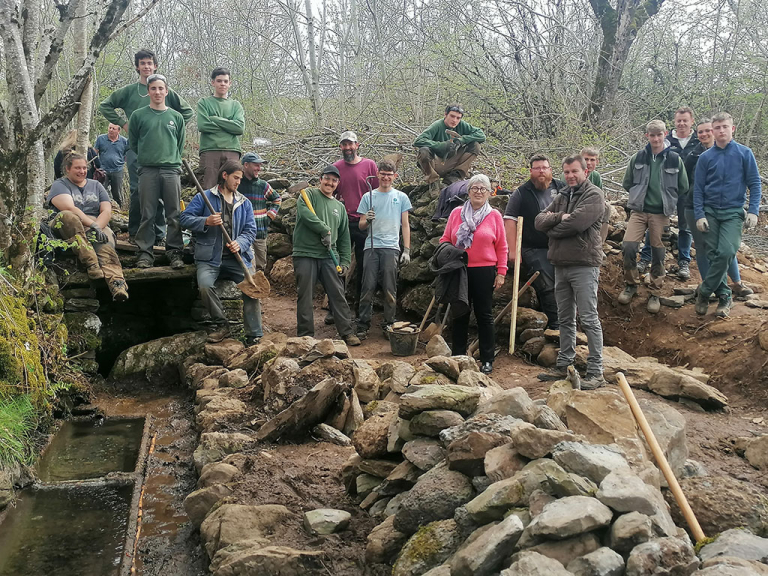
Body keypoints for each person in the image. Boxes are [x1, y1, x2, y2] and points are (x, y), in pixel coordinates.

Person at [99, 49, 194, 244]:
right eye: (142, 63)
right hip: (137, 147)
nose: (146, 66)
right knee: (138, 191)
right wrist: (123, 124)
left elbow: (186, 111)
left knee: (161, 194)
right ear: (137, 67)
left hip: (163, 152)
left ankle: (159, 235)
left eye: (149, 63)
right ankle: (136, 233)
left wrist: (171, 130)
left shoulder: (163, 89)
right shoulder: (129, 91)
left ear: (155, 65)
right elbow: (105, 105)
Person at [534, 155, 605, 389]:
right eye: (566, 172)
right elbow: (538, 221)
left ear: (585, 171)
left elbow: (576, 224)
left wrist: (552, 230)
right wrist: (558, 217)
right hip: (560, 264)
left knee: (588, 318)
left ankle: (596, 372)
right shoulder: (563, 195)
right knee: (565, 317)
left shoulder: (594, 195)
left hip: (584, 263)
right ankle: (565, 363)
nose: (570, 176)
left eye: (574, 171)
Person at [180, 161, 261, 344]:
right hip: (209, 258)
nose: (238, 182)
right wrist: (205, 221)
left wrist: (239, 243)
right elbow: (184, 219)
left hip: (236, 258)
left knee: (252, 288)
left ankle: (254, 335)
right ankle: (222, 324)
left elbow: (250, 231)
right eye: (235, 178)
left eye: (240, 179)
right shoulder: (204, 197)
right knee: (205, 286)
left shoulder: (244, 203)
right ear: (224, 175)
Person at [694, 112, 762, 317]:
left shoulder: (744, 153)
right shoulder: (706, 157)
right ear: (713, 131)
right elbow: (698, 188)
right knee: (714, 254)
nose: (721, 130)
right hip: (710, 212)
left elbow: (755, 183)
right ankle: (725, 296)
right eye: (717, 127)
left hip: (733, 212)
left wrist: (753, 211)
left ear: (732, 129)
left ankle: (704, 292)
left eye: (725, 127)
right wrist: (699, 214)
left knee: (726, 252)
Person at [618, 119, 688, 314]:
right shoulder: (638, 158)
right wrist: (638, 196)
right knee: (629, 246)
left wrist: (668, 200)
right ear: (646, 136)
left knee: (658, 253)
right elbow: (627, 182)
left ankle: (655, 292)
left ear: (665, 135)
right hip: (639, 211)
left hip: (661, 214)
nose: (656, 138)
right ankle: (631, 285)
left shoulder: (674, 159)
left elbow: (684, 186)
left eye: (659, 134)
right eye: (652, 135)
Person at [440, 174, 507, 374]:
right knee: (459, 313)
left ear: (489, 193)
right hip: (459, 270)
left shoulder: (494, 216)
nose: (478, 192)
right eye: (475, 188)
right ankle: (459, 356)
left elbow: (502, 246)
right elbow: (445, 238)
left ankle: (487, 359)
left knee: (484, 315)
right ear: (468, 191)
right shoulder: (456, 213)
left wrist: (501, 272)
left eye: (483, 189)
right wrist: (447, 252)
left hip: (484, 270)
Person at [683, 118, 752, 298]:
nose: (705, 134)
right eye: (701, 132)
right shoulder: (694, 155)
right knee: (705, 248)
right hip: (695, 206)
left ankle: (734, 282)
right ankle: (714, 288)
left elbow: (751, 181)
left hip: (724, 208)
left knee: (726, 249)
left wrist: (752, 210)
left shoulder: (740, 153)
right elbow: (687, 182)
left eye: (708, 130)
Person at [293, 165, 361, 346]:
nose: (330, 183)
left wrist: (345, 261)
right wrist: (324, 230)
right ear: (321, 179)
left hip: (330, 257)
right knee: (305, 295)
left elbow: (345, 238)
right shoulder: (307, 195)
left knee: (338, 294)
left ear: (338, 183)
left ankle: (346, 332)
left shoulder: (339, 207)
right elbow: (306, 215)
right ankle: (305, 336)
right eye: (327, 178)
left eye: (334, 180)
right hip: (305, 253)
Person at [47, 153, 129, 301]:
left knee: (104, 242)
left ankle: (117, 284)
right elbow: (69, 208)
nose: (82, 171)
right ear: (67, 169)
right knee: (68, 216)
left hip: (96, 223)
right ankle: (91, 262)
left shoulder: (96, 185)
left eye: (84, 168)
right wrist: (92, 225)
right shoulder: (59, 184)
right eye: (77, 168)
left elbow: (106, 210)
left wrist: (97, 226)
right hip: (67, 225)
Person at [128, 73, 186, 269]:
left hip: (171, 170)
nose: (157, 92)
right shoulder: (138, 116)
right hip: (147, 170)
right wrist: (148, 158)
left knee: (174, 213)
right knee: (148, 213)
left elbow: (180, 145)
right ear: (148, 92)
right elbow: (134, 143)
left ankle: (175, 252)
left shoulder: (176, 117)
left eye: (161, 88)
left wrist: (170, 160)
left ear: (166, 91)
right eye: (153, 88)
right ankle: (145, 253)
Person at [503, 154, 566, 329]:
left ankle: (572, 324)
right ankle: (556, 326)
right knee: (547, 283)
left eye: (544, 168)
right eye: (537, 168)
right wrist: (514, 251)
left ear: (551, 170)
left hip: (562, 245)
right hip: (534, 247)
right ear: (531, 171)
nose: (541, 171)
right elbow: (509, 219)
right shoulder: (522, 193)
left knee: (568, 282)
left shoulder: (562, 188)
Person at [638, 106, 699, 279]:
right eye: (678, 120)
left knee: (684, 227)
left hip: (687, 191)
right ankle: (645, 258)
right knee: (653, 224)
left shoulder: (698, 141)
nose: (681, 123)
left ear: (691, 121)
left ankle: (684, 262)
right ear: (674, 121)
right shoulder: (665, 138)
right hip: (662, 192)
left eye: (685, 120)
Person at [356, 160, 412, 339]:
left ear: (394, 176)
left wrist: (407, 250)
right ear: (377, 175)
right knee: (367, 287)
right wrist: (368, 220)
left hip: (391, 247)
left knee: (390, 288)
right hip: (371, 247)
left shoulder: (401, 197)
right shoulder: (368, 197)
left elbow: (405, 225)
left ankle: (389, 323)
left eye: (390, 174)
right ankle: (363, 324)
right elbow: (361, 225)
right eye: (383, 173)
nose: (386, 177)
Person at [331, 130, 379, 321]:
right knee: (337, 266)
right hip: (342, 223)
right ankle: (335, 308)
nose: (348, 148)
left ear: (357, 145)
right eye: (344, 144)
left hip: (363, 223)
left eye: (351, 144)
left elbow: (378, 192)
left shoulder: (369, 165)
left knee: (362, 267)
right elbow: (329, 194)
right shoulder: (335, 167)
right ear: (340, 147)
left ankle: (361, 309)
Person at [414, 104, 486, 186]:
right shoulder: (437, 125)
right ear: (445, 114)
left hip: (453, 161)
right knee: (423, 151)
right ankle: (433, 181)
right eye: (452, 116)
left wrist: (462, 140)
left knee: (475, 145)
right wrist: (440, 145)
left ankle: (455, 176)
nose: (454, 120)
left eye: (458, 118)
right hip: (436, 163)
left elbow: (481, 135)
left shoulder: (462, 125)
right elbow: (418, 141)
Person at [197, 67, 245, 188]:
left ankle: (228, 208)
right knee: (208, 189)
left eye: (225, 81)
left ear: (230, 83)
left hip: (232, 150)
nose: (222, 84)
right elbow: (203, 125)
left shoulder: (235, 105)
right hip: (210, 150)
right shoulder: (204, 103)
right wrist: (229, 125)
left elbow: (239, 128)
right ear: (213, 82)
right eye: (219, 81)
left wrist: (214, 119)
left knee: (231, 188)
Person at [94, 123, 129, 207]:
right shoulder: (101, 139)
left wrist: (121, 162)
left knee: (117, 193)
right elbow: (94, 153)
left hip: (117, 170)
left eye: (114, 128)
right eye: (110, 128)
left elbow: (127, 155)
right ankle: (99, 209)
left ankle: (119, 210)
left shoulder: (124, 141)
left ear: (118, 131)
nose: (111, 130)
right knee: (101, 191)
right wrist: (96, 167)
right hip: (103, 170)